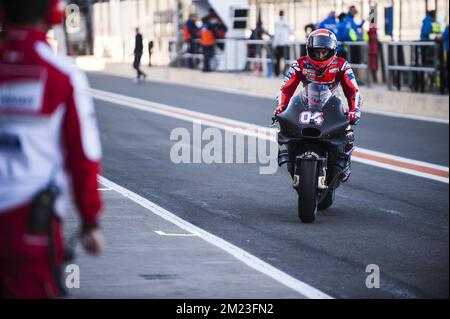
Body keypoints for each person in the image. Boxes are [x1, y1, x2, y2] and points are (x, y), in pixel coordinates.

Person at [0, 0, 104, 298]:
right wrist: (89, 221)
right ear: (55, 14)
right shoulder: (61, 73)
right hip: (28, 223)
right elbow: (83, 157)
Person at [273, 29, 362, 182]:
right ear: (309, 51)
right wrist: (281, 106)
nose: (320, 56)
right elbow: (286, 88)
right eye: (316, 52)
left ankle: (345, 161)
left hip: (332, 105)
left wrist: (354, 110)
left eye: (324, 52)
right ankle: (289, 152)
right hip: (306, 104)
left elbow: (353, 90)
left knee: (348, 130)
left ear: (332, 51)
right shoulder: (300, 64)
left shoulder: (342, 65)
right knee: (286, 124)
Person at [272, 10, 293, 77]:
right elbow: (291, 32)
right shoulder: (287, 22)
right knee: (286, 60)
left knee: (278, 60)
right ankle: (285, 72)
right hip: (286, 43)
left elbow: (277, 34)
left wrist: (274, 43)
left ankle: (277, 73)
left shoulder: (277, 23)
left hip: (279, 44)